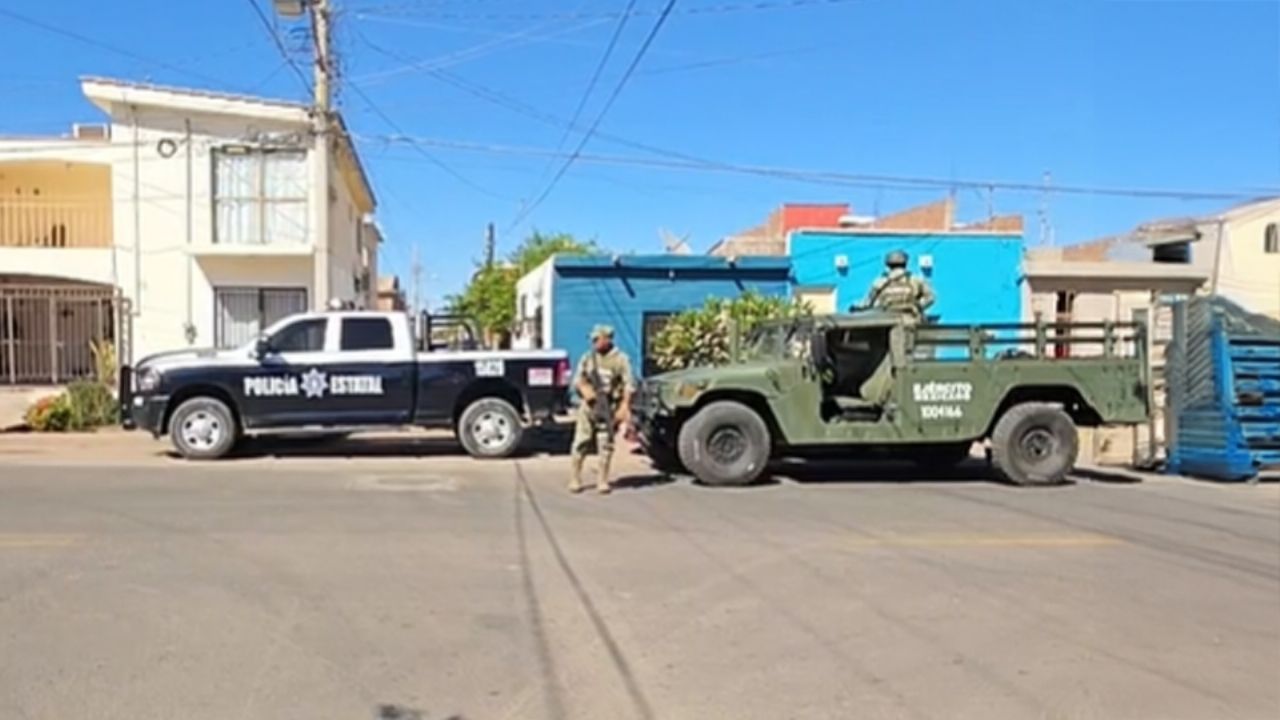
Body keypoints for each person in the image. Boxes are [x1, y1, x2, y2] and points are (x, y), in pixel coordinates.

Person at [569, 325, 635, 494]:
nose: (594, 342)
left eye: (597, 339)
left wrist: (624, 406)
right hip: (589, 406)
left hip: (609, 407)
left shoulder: (620, 359)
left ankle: (602, 480)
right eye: (593, 339)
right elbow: (578, 379)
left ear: (607, 339)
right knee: (581, 441)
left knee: (605, 444)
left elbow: (629, 384)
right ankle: (575, 478)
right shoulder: (588, 358)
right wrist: (585, 391)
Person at [856, 249, 935, 321]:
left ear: (888, 264)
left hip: (886, 321)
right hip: (910, 319)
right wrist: (917, 307)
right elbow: (930, 298)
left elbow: (868, 303)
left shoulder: (880, 282)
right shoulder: (916, 280)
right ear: (905, 263)